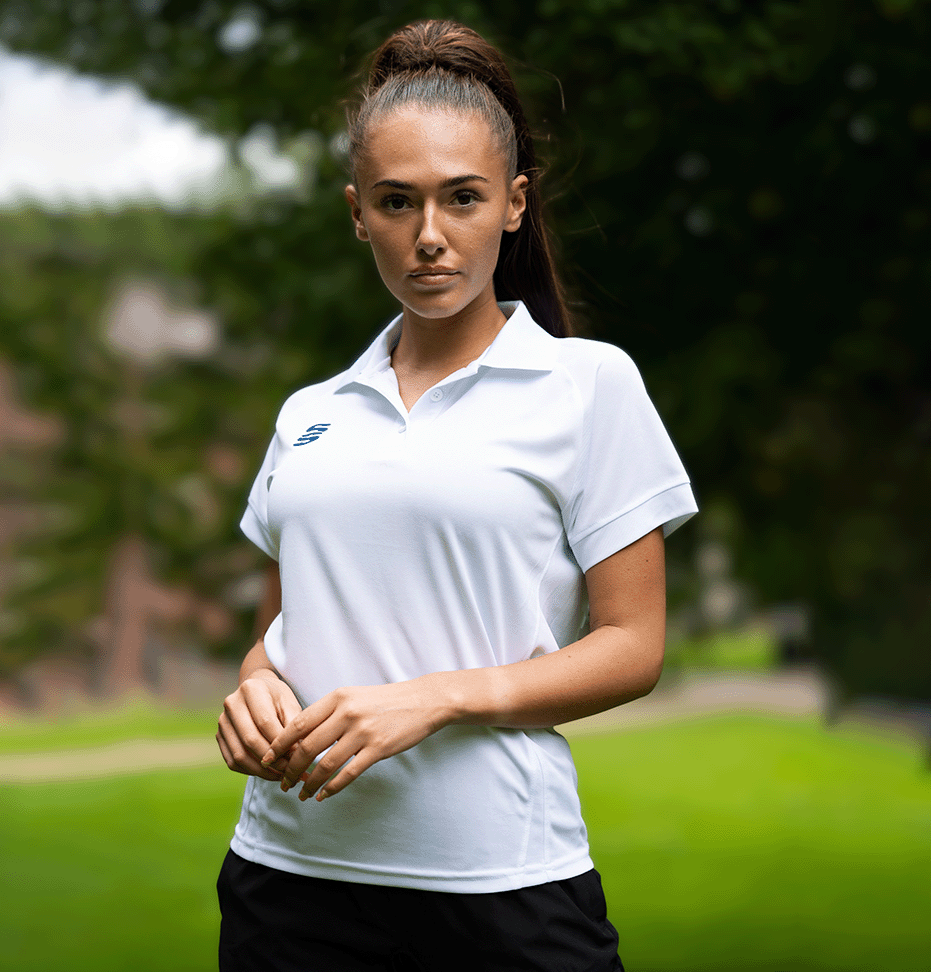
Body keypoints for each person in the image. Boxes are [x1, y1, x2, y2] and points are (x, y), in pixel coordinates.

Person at [215, 18, 697, 972]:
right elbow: (279, 635)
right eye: (396, 202)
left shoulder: (589, 386)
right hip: (286, 879)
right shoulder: (309, 413)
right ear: (358, 213)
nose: (428, 236)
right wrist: (253, 691)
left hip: (502, 885)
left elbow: (632, 646)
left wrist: (436, 699)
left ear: (513, 204)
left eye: (462, 198)